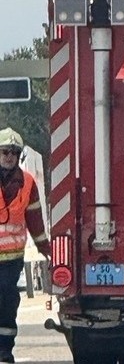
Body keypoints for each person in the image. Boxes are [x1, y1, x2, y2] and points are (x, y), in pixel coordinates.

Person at [0, 128, 50, 364]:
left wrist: (46, 250)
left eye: (13, 152)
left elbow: (35, 221)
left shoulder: (27, 182)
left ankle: (4, 351)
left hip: (11, 260)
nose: (9, 156)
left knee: (7, 303)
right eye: (4, 152)